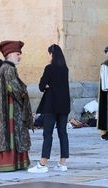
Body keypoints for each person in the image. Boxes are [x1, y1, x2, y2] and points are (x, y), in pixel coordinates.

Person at [0, 40, 33, 172]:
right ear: (10, 54)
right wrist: (24, 92)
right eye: (17, 54)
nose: (19, 57)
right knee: (13, 134)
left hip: (5, 110)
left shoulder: (2, 69)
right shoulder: (9, 69)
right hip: (10, 111)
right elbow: (15, 89)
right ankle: (11, 162)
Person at [28, 44, 70, 173]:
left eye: (48, 54)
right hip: (64, 105)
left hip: (51, 105)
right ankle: (62, 163)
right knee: (63, 133)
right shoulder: (65, 69)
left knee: (48, 134)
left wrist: (47, 85)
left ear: (52, 54)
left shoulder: (49, 68)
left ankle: (43, 163)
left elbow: (41, 86)